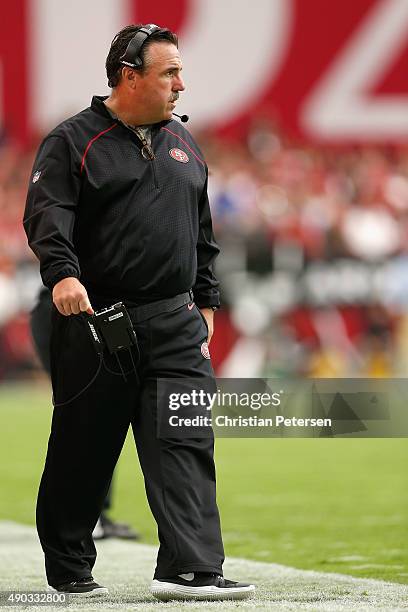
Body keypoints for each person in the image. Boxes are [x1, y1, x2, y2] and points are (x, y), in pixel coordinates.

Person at [23, 24, 255, 601]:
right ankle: (69, 566)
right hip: (98, 321)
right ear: (130, 76)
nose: (183, 83)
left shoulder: (184, 142)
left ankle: (190, 567)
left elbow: (201, 232)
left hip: (176, 323)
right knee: (84, 450)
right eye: (170, 72)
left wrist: (206, 300)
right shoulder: (73, 140)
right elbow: (47, 213)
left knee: (186, 442)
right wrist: (64, 274)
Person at [30, 285, 140, 541]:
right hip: (71, 313)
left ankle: (95, 514)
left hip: (90, 311)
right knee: (89, 415)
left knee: (101, 416)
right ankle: (83, 517)